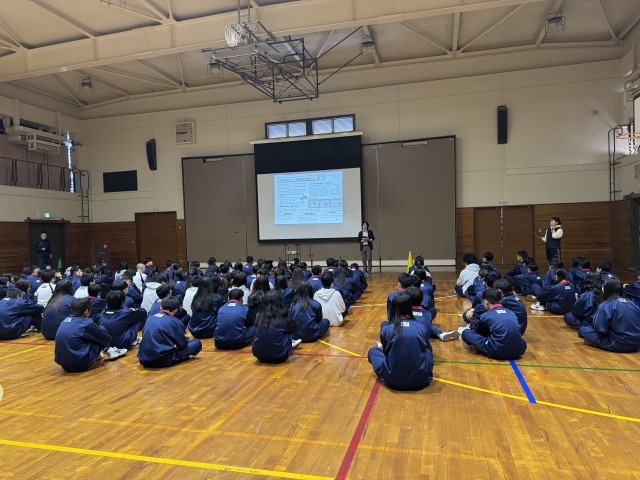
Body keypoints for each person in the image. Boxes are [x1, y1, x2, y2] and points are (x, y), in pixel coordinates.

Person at [367, 293, 433, 391]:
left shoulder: (386, 329)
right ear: (410, 307)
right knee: (427, 350)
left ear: (392, 308)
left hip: (393, 381)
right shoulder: (421, 327)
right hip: (421, 381)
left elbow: (386, 352)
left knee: (372, 351)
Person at [54, 298, 127, 373]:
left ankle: (104, 352)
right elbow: (104, 338)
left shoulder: (64, 321)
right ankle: (110, 350)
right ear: (86, 311)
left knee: (87, 335)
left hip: (64, 365)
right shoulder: (86, 323)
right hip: (80, 364)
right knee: (101, 330)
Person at [460, 288, 527, 360]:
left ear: (485, 302)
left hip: (498, 352)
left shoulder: (485, 316)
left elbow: (477, 332)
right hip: (519, 350)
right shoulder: (511, 312)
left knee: (466, 333)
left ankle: (479, 349)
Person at [138, 296, 202, 368]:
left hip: (143, 359)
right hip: (162, 359)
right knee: (196, 343)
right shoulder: (175, 322)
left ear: (160, 307)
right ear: (176, 310)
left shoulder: (150, 318)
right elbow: (182, 345)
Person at [578, 280, 640, 353]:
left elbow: (599, 329)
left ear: (607, 289)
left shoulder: (606, 305)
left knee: (583, 329)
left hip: (618, 343)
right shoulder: (632, 304)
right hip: (636, 344)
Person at [252, 290, 300, 364]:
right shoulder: (283, 315)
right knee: (288, 332)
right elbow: (295, 328)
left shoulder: (259, 315)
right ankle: (290, 344)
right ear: (279, 301)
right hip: (279, 357)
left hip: (259, 356)